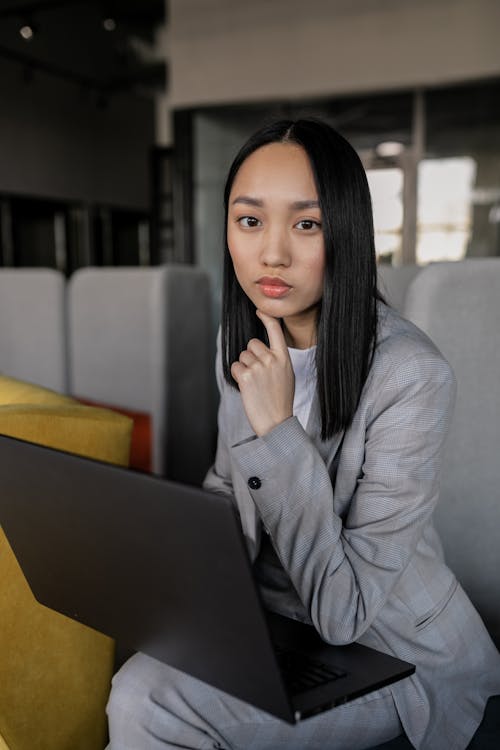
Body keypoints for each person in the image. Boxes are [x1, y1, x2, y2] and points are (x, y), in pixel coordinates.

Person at [106, 119, 500, 749]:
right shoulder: (243, 344)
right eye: (251, 220)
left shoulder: (411, 376)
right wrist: (175, 579)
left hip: (392, 651)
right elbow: (225, 487)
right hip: (269, 627)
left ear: (345, 232)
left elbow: (344, 614)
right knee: (134, 689)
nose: (273, 254)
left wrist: (279, 432)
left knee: (154, 707)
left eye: (307, 223)